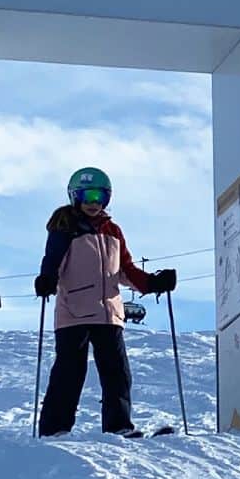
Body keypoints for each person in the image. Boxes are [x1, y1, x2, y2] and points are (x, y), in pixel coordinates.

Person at [35, 167, 176, 437]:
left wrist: (153, 283)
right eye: (87, 196)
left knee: (118, 373)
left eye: (99, 196)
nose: (93, 202)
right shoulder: (65, 227)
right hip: (74, 312)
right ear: (75, 196)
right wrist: (46, 279)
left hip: (109, 314)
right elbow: (52, 260)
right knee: (70, 372)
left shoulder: (113, 231)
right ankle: (54, 428)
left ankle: (119, 427)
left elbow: (125, 270)